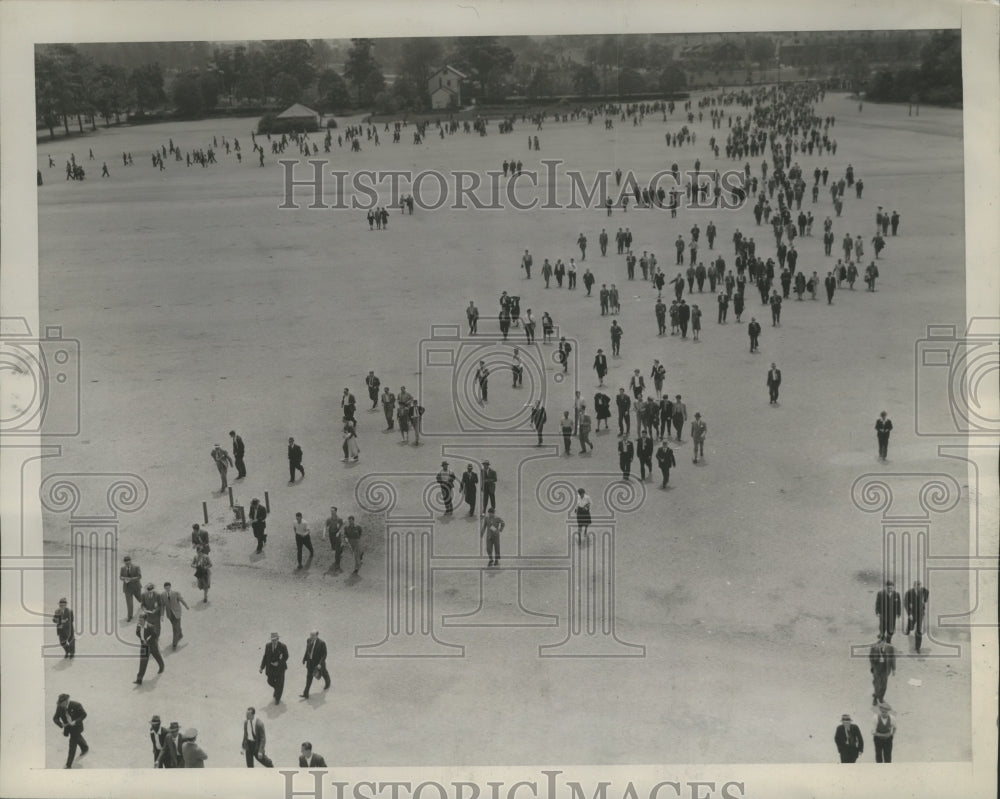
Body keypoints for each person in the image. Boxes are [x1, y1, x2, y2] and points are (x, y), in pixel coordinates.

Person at [53, 693, 89, 768]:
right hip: (68, 728)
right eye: (60, 704)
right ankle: (85, 748)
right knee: (78, 738)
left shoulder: (76, 705)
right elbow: (55, 718)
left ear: (66, 701)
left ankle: (68, 764)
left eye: (62, 704)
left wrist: (75, 721)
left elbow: (84, 714)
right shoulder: (60, 707)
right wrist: (60, 724)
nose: (60, 706)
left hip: (77, 727)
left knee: (72, 745)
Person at [134, 612, 165, 685]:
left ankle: (162, 666)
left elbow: (155, 635)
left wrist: (147, 640)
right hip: (144, 647)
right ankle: (139, 679)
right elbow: (137, 633)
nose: (139, 621)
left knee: (157, 656)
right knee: (142, 662)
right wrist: (141, 639)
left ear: (145, 620)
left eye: (141, 620)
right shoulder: (138, 625)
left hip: (152, 646)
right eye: (139, 620)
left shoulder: (150, 626)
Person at [259, 632, 289, 704]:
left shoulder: (283, 646)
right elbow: (265, 657)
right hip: (271, 668)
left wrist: (279, 662)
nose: (273, 641)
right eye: (272, 640)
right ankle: (277, 689)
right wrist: (261, 667)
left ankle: (277, 698)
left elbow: (286, 656)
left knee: (280, 683)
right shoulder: (268, 645)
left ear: (278, 639)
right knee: (269, 681)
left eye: (275, 640)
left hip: (280, 668)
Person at [300, 630, 331, 698]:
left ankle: (328, 683)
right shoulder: (308, 640)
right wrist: (304, 659)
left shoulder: (322, 643)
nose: (311, 637)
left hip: (318, 663)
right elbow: (307, 650)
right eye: (311, 635)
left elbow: (324, 654)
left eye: (313, 635)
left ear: (317, 635)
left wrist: (320, 664)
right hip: (310, 663)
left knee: (324, 673)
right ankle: (306, 693)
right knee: (309, 677)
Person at [160, 581, 189, 650]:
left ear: (170, 587)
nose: (167, 589)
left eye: (168, 587)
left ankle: (174, 644)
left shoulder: (176, 593)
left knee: (175, 628)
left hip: (177, 612)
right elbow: (162, 606)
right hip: (170, 614)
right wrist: (162, 615)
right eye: (166, 588)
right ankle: (180, 634)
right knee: (176, 626)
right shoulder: (162, 595)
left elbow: (181, 600)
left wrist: (186, 606)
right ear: (164, 588)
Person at [869, 637, 896, 705]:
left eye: (882, 643)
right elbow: (870, 657)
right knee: (877, 685)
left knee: (884, 685)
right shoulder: (874, 648)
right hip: (877, 669)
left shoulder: (890, 648)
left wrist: (893, 669)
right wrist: (873, 665)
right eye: (879, 643)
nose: (880, 645)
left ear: (884, 642)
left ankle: (881, 698)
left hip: (885, 669)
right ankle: (875, 698)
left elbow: (893, 658)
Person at [904, 579, 930, 652]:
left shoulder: (923, 590)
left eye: (919, 585)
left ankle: (917, 647)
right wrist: (909, 614)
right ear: (914, 586)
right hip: (912, 613)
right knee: (911, 624)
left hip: (920, 613)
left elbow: (927, 592)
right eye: (917, 585)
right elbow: (905, 603)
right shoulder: (909, 592)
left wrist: (925, 599)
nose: (918, 587)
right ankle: (908, 629)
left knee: (918, 630)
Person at [120, 555, 142, 621]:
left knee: (140, 599)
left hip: (136, 588)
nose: (127, 563)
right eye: (126, 562)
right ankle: (130, 616)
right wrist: (124, 579)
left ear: (130, 561)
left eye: (128, 562)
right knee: (129, 603)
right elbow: (120, 576)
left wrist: (130, 579)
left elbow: (139, 576)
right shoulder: (122, 568)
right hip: (127, 589)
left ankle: (147, 605)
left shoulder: (136, 567)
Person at [324, 506, 344, 571]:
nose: (331, 512)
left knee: (337, 551)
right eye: (331, 511)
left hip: (337, 535)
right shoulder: (329, 519)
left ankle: (337, 563)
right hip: (331, 534)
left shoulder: (339, 519)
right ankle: (341, 548)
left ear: (336, 511)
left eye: (333, 511)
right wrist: (323, 535)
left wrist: (338, 532)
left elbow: (341, 527)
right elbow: (325, 526)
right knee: (333, 548)